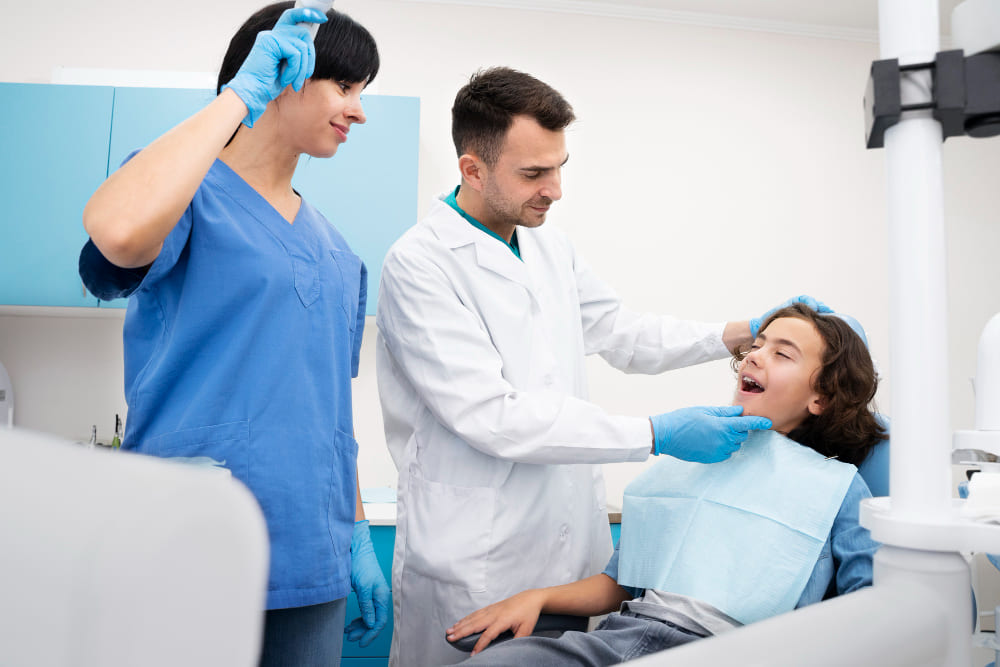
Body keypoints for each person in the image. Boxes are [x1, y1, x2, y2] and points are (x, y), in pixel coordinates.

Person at [375, 65, 829, 666]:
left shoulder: (547, 245)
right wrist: (655, 434)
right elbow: (494, 418)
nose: (555, 189)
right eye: (534, 173)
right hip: (477, 556)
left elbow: (620, 332)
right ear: (472, 169)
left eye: (560, 167)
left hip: (568, 555)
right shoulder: (420, 264)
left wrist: (743, 332)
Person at [77, 3, 389, 664]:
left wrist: (358, 527)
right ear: (281, 73)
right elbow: (115, 231)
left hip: (313, 549)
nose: (359, 111)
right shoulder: (189, 194)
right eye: (345, 86)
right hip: (189, 539)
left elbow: (330, 405)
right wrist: (235, 100)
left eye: (363, 92)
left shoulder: (339, 252)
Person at [446, 303, 885, 665]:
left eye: (782, 354)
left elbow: (870, 608)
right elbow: (621, 583)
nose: (753, 356)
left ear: (821, 398)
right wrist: (537, 598)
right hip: (618, 639)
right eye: (756, 345)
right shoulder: (689, 460)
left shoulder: (837, 488)